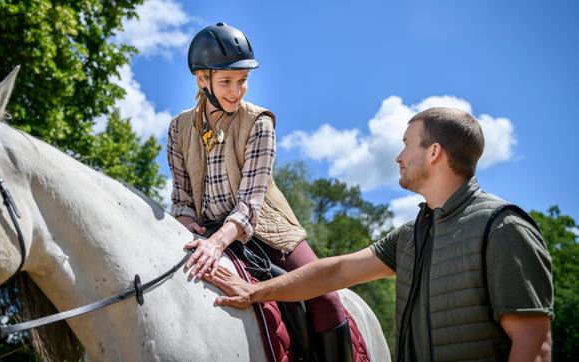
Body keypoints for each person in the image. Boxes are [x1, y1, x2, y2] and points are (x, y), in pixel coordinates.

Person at [206, 107, 554, 361]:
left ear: (434, 153)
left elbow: (534, 345)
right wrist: (255, 292)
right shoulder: (411, 236)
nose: (398, 157)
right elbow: (337, 271)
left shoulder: (503, 226)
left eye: (407, 144)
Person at [167, 23, 352, 361]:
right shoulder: (178, 127)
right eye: (226, 82)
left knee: (327, 301)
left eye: (242, 81)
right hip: (207, 230)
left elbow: (249, 204)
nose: (237, 92)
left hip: (265, 230)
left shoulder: (260, 123)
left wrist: (218, 242)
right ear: (202, 79)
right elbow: (181, 196)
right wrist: (184, 217)